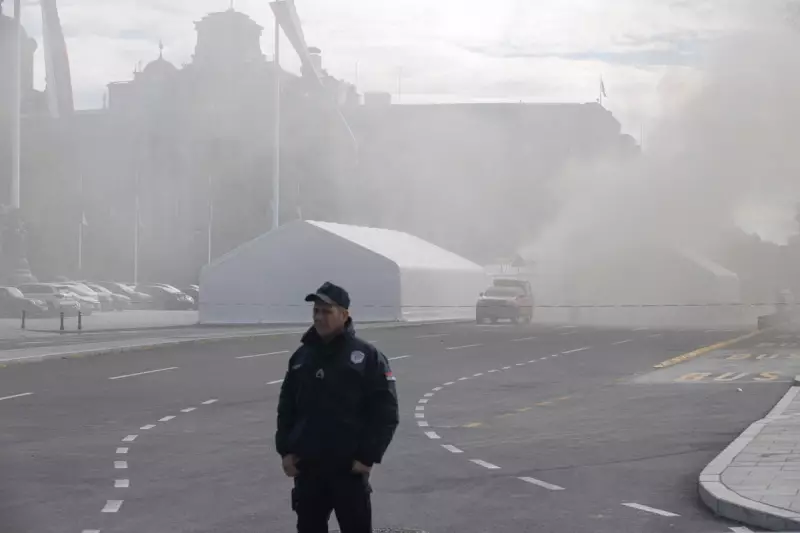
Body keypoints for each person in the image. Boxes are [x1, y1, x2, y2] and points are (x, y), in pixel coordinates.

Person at [276, 281, 400, 533]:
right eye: (316, 311)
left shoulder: (367, 357)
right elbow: (286, 408)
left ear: (344, 315)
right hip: (308, 468)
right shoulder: (302, 357)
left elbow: (385, 411)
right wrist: (285, 452)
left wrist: (368, 456)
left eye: (326, 311)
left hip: (348, 469)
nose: (319, 317)